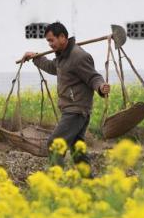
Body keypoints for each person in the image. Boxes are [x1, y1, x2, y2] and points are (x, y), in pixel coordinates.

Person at [22, 22, 110, 173]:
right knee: (78, 151)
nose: (50, 45)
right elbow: (52, 67)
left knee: (54, 144)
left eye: (51, 40)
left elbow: (93, 77)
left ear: (62, 37)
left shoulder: (79, 56)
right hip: (74, 111)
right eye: (48, 41)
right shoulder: (63, 56)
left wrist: (101, 87)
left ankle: (57, 182)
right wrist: (35, 57)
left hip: (76, 111)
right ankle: (89, 185)